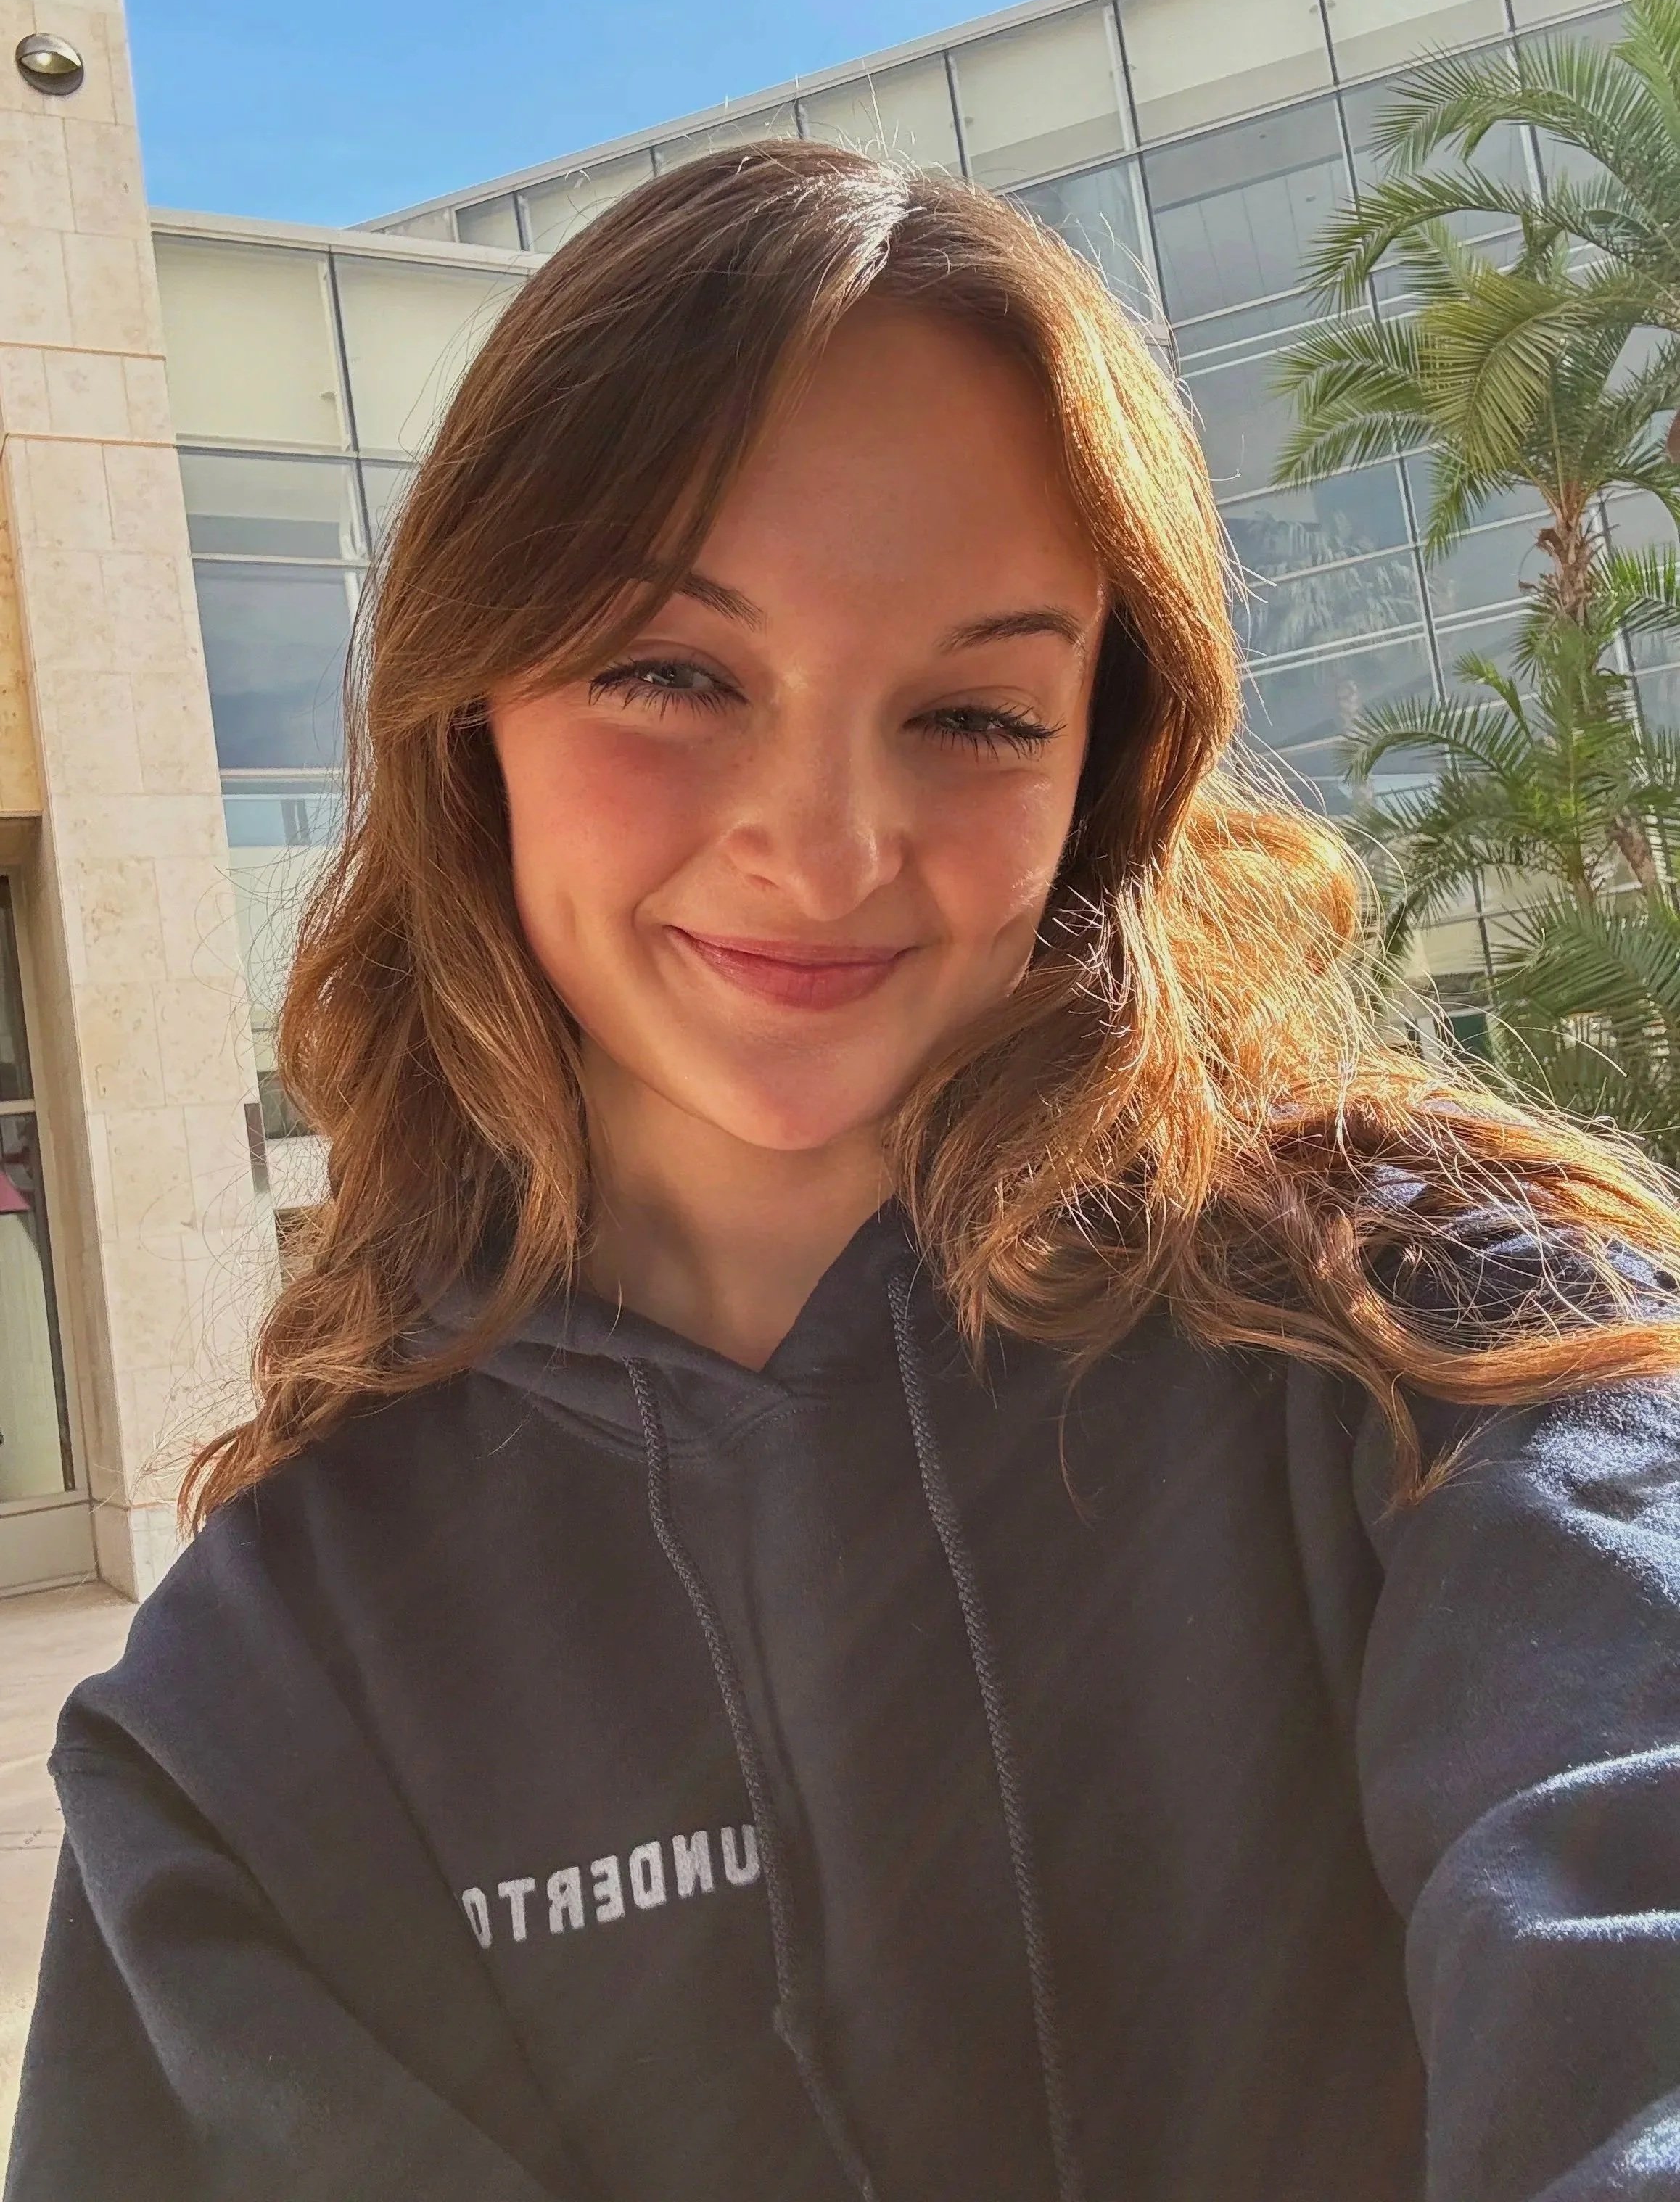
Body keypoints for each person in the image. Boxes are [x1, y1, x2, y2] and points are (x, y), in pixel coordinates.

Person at [10, 142, 1680, 2202]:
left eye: (974, 713)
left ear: (1104, 762)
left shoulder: (1457, 1362)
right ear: (471, 709)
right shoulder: (263, 1699)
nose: (823, 849)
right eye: (671, 674)